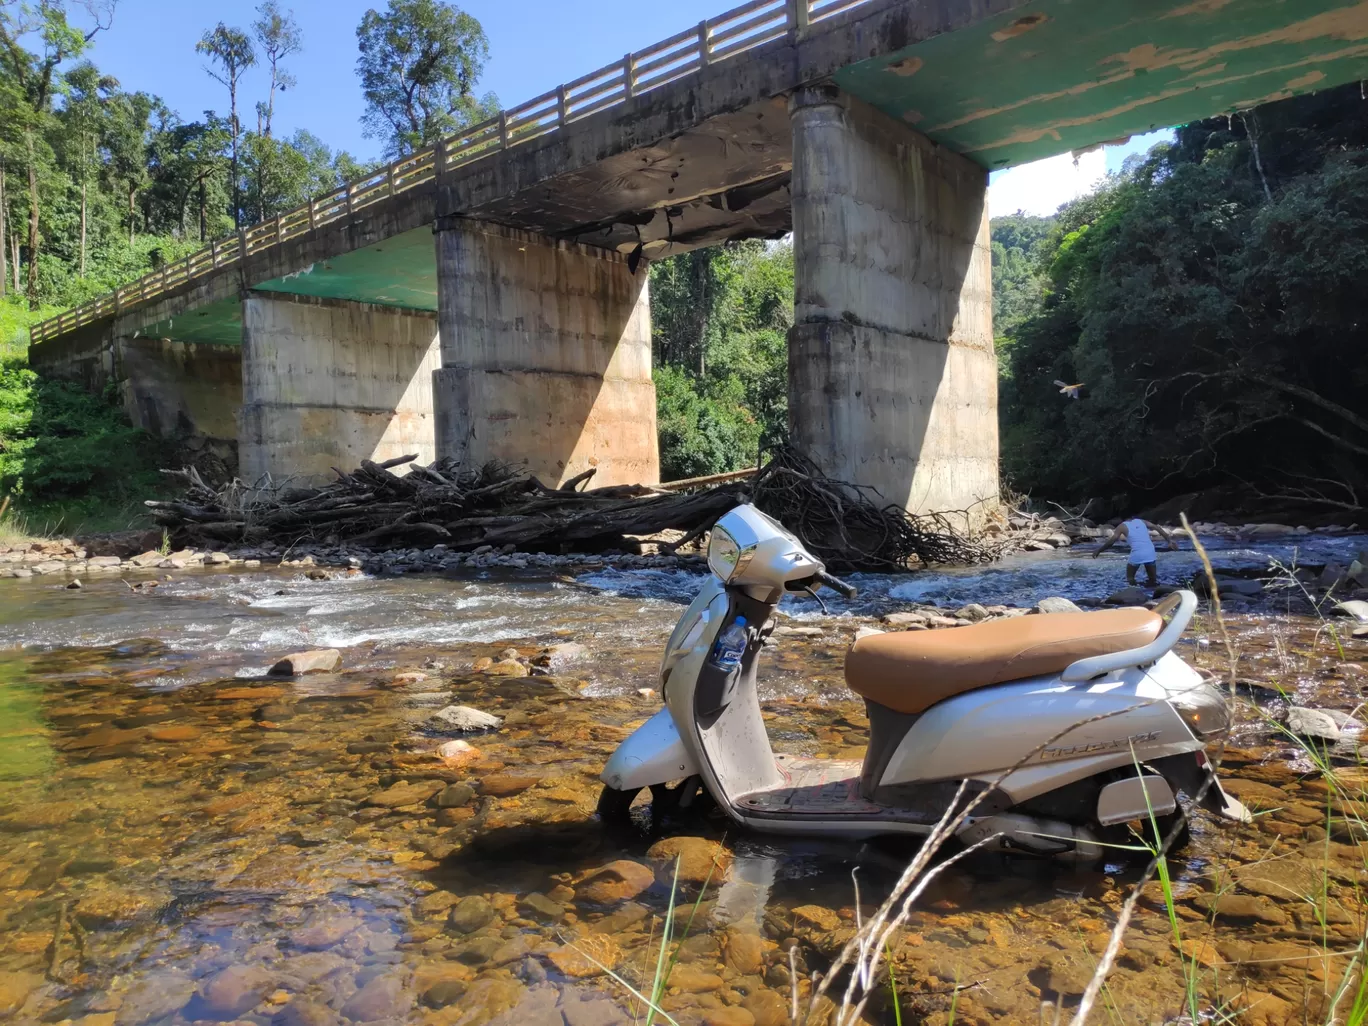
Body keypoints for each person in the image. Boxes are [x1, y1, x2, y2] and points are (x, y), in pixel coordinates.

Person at [1093, 517, 1177, 587]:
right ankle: (1152, 594)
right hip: (1150, 551)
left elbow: (1112, 541)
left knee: (1130, 578)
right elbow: (1158, 528)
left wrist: (1099, 550)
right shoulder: (1141, 521)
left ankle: (1135, 593)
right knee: (1152, 579)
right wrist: (1169, 540)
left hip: (1137, 553)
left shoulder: (1122, 526)